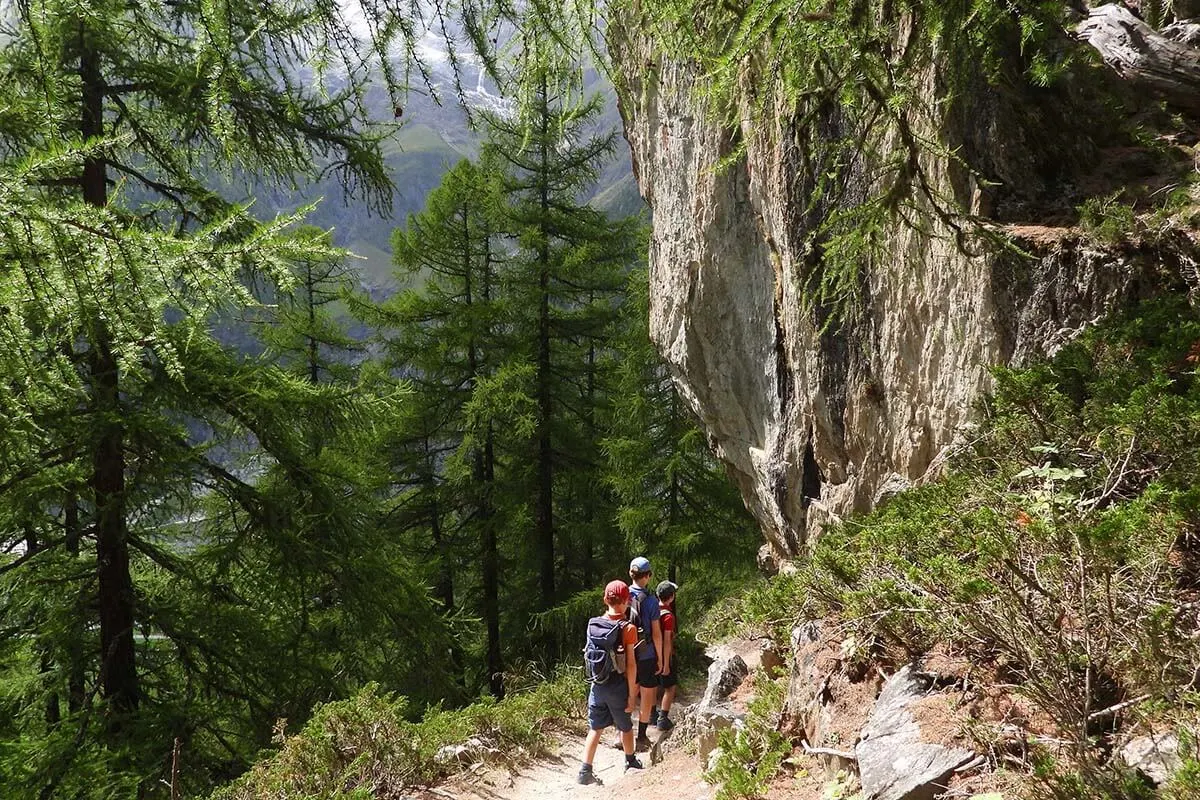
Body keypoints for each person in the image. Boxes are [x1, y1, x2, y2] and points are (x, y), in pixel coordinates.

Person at [578, 580, 643, 785]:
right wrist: (632, 695)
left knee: (595, 728)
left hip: (597, 684)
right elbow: (631, 665)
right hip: (617, 686)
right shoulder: (628, 628)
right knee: (625, 727)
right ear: (626, 601)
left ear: (606, 599)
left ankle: (584, 772)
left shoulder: (594, 624)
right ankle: (631, 762)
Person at [627, 556, 663, 751]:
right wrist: (662, 659)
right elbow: (657, 634)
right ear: (648, 576)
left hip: (626, 655)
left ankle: (622, 734)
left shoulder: (622, 595)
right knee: (647, 695)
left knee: (629, 693)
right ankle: (641, 736)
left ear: (631, 574)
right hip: (646, 654)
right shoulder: (650, 601)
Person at [654, 580, 679, 731]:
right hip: (665, 656)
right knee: (670, 687)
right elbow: (667, 641)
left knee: (651, 686)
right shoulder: (668, 616)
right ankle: (663, 718)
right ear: (671, 597)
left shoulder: (652, 611)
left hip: (650, 655)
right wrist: (666, 663)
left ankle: (651, 714)